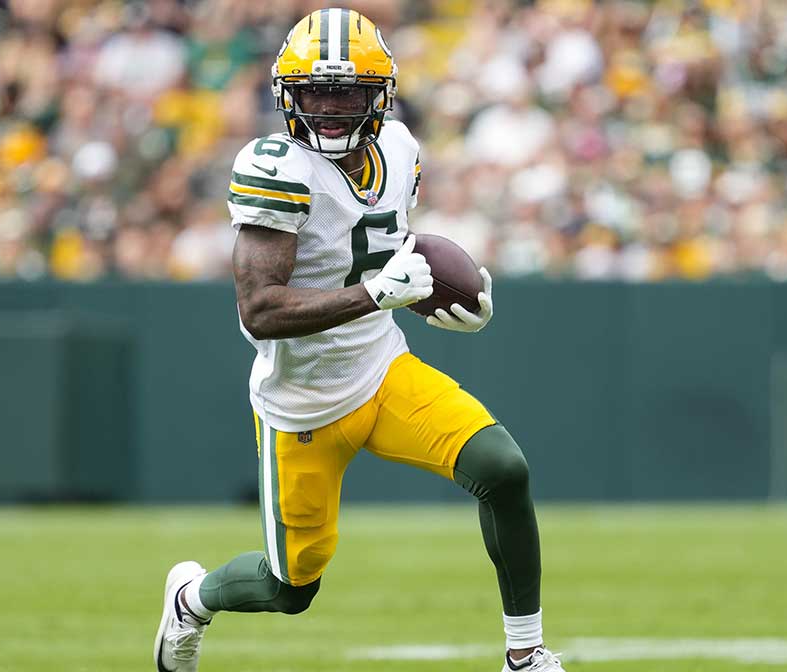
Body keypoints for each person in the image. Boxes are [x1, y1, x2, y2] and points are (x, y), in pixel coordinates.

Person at [153, 9, 564, 672]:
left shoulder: (401, 150)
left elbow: (384, 251)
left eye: (348, 92)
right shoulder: (276, 166)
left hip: (381, 369)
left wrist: (453, 298)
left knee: (504, 470)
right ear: (288, 95)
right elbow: (260, 309)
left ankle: (526, 655)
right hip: (303, 406)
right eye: (316, 92)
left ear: (382, 96)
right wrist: (378, 293)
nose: (332, 109)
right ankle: (191, 599)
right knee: (290, 588)